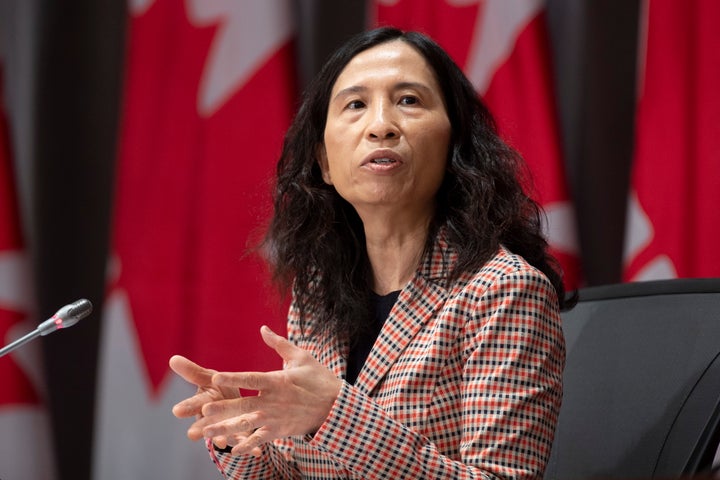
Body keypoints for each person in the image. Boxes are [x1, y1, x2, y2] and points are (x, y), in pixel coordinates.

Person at [169, 26, 573, 480]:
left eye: (409, 101)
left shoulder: (503, 291)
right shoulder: (319, 293)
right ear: (324, 161)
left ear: (455, 145)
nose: (381, 125)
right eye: (356, 105)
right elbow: (307, 470)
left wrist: (333, 414)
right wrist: (238, 433)